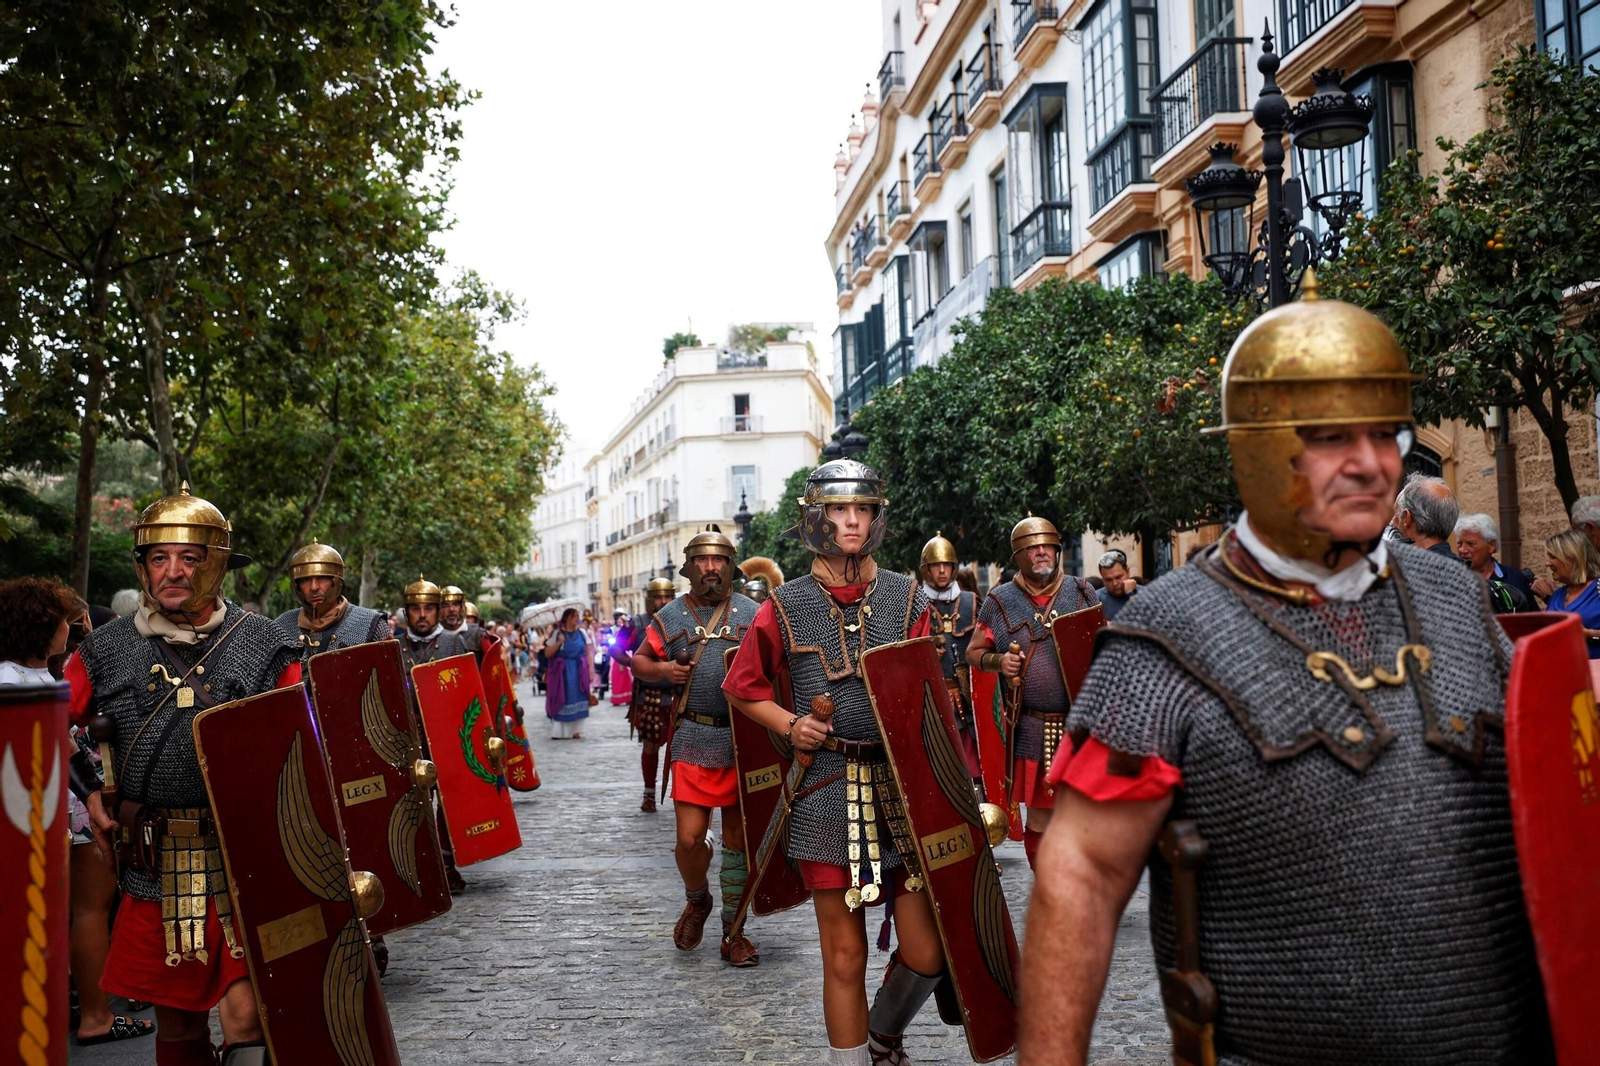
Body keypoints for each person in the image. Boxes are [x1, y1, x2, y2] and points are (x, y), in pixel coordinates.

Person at [1019, 276, 1550, 1065]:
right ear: (1258, 447)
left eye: (1384, 435)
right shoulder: (1164, 636)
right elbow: (1083, 877)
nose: (1371, 465)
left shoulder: (1454, 598)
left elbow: (1553, 788)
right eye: (1332, 438)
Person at [64, 484, 303, 1065]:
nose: (172, 572)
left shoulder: (266, 644)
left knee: (245, 1012)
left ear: (215, 563)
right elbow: (45, 727)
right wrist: (90, 793)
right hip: (159, 860)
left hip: (246, 854)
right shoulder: (105, 649)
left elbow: (304, 743)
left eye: (189, 558)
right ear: (143, 567)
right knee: (177, 1021)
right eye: (158, 558)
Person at [726, 460, 941, 1066]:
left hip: (900, 790)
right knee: (845, 957)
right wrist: (791, 724)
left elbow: (928, 702)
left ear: (876, 519)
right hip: (825, 791)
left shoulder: (907, 597)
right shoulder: (785, 604)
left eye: (862, 510)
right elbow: (742, 686)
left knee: (928, 949)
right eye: (840, 510)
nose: (852, 521)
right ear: (816, 519)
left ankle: (883, 1035)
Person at [0, 579, 152, 1048]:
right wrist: (92, 799)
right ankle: (96, 1016)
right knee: (89, 909)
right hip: (54, 812)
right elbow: (63, 752)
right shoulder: (27, 684)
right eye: (64, 621)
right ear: (45, 627)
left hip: (39, 815)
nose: (69, 629)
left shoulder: (25, 677)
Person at [631, 528, 760, 966]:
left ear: (730, 565)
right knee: (689, 841)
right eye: (702, 560)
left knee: (737, 841)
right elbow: (639, 661)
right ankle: (698, 899)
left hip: (742, 739)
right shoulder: (670, 615)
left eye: (718, 560)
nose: (710, 567)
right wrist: (665, 670)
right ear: (689, 567)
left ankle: (733, 931)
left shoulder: (754, 612)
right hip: (692, 736)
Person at [967, 514, 1099, 870]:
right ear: (1019, 556)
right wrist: (1000, 661)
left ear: (1057, 550)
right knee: (1040, 817)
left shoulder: (1082, 592)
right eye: (1032, 548)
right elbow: (974, 653)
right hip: (1034, 729)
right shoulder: (1000, 600)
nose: (1041, 552)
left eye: (1047, 546)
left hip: (1080, 725)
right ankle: (1047, 884)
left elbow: (1104, 648)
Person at [610, 578, 678, 812]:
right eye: (658, 597)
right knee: (650, 746)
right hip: (650, 695)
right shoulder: (637, 623)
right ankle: (649, 794)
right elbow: (616, 648)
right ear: (650, 600)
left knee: (683, 750)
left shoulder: (685, 618)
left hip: (682, 694)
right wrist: (635, 664)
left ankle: (683, 796)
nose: (663, 601)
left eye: (667, 597)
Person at [919, 532, 981, 778]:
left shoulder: (970, 602)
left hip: (967, 702)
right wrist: (924, 652)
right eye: (936, 565)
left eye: (946, 565)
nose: (942, 571)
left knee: (973, 766)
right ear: (927, 569)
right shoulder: (915, 603)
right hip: (932, 700)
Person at [273, 541, 391, 660]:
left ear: (337, 582)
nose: (314, 587)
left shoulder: (370, 624)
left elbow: (391, 670)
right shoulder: (280, 627)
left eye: (322, 578)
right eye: (306, 580)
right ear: (296, 586)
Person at [1454, 514, 1536, 612]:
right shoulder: (1452, 579)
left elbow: (1532, 617)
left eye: (1471, 544)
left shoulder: (1514, 578)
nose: (1462, 550)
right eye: (1459, 544)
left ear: (1491, 545)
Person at [1544, 527, 1600, 658]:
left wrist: (1590, 634)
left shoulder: (1597, 589)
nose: (1547, 563)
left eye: (1553, 557)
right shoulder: (1557, 595)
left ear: (1573, 559)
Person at [543, 608, 591, 739]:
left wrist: (591, 671)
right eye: (574, 616)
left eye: (577, 616)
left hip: (579, 670)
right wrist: (559, 642)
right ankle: (558, 732)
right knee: (562, 697)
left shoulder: (582, 633)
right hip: (562, 672)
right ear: (567, 618)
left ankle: (576, 730)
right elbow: (547, 653)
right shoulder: (557, 633)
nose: (577, 619)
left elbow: (588, 653)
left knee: (578, 697)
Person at [1390, 472, 1460, 558]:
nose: (1391, 523)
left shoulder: (1411, 565)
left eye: (1394, 516)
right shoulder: (1459, 565)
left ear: (1406, 518)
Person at [1094, 549, 1138, 621]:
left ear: (1127, 571)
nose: (1115, 583)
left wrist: (1131, 595)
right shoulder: (1095, 600)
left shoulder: (1146, 593)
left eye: (1118, 577)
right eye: (1108, 580)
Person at [608, 608, 633, 706]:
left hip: (624, 652)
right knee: (616, 674)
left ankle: (627, 697)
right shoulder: (613, 629)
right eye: (618, 619)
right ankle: (617, 697)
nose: (619, 620)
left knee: (626, 675)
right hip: (615, 654)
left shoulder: (627, 628)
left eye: (621, 618)